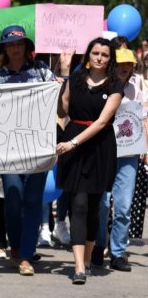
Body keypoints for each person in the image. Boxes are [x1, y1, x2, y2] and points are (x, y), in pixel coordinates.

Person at [0, 26, 58, 276]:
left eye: (19, 44)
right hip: (8, 148)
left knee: (33, 201)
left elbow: (58, 102)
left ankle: (25, 255)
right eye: (11, 44)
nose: (15, 48)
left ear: (26, 47)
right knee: (13, 197)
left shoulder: (42, 71)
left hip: (38, 145)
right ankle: (15, 247)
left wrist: (60, 82)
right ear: (4, 48)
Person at [56, 37, 123, 284]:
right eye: (95, 53)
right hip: (74, 144)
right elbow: (63, 110)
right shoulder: (75, 79)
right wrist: (64, 74)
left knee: (95, 206)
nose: (99, 58)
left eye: (105, 55)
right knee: (79, 203)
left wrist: (73, 142)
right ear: (88, 55)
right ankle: (79, 266)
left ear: (110, 59)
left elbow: (103, 122)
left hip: (99, 147)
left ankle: (87, 258)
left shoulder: (116, 85)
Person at [95, 46, 144, 272]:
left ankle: (117, 252)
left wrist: (145, 148)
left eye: (129, 64)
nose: (125, 67)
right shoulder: (102, 86)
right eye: (121, 63)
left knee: (123, 206)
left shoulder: (137, 88)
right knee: (102, 203)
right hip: (104, 153)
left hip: (129, 155)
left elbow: (144, 118)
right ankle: (98, 244)